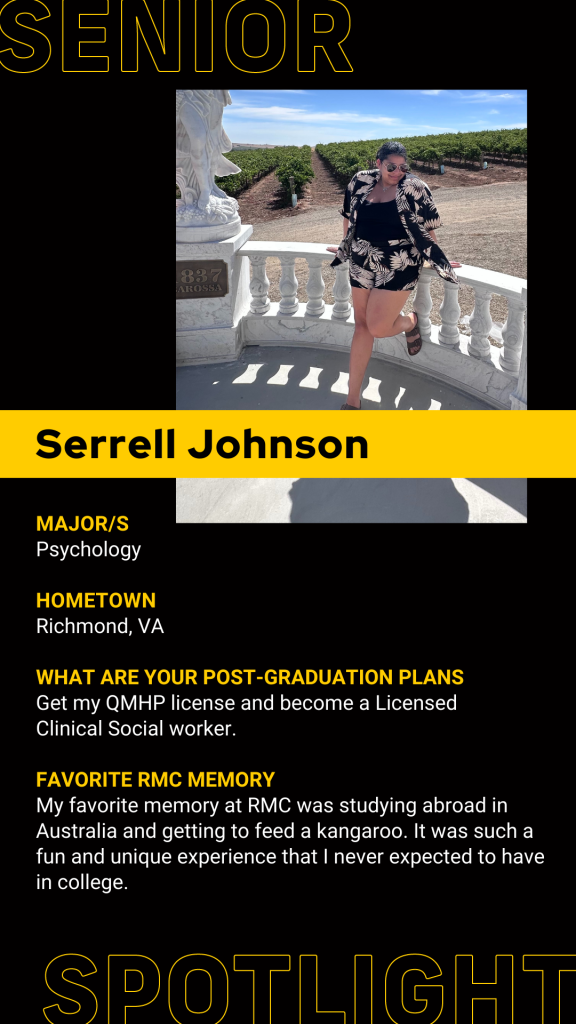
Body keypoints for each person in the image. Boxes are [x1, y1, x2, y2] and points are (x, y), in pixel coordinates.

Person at [326, 142, 462, 409]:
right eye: (392, 166)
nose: (398, 171)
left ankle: (411, 322)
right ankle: (352, 401)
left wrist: (437, 258)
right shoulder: (360, 181)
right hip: (362, 258)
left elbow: (428, 227)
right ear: (378, 163)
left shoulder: (415, 187)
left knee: (376, 327)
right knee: (362, 326)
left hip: (400, 262)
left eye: (403, 167)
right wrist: (345, 243)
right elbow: (348, 215)